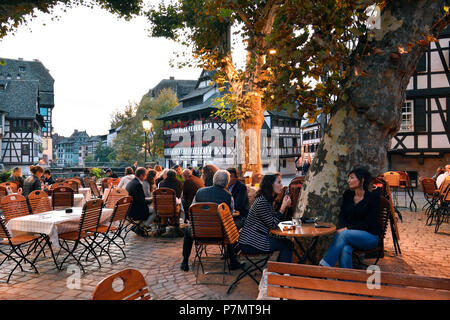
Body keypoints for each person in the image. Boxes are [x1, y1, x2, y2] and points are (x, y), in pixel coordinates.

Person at [319, 168, 382, 269]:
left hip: (370, 237)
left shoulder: (373, 198)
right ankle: (348, 281)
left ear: (362, 180)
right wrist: (345, 228)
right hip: (350, 236)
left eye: (352, 178)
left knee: (343, 234)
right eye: (348, 178)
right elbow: (342, 216)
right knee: (345, 249)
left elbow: (369, 223)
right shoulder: (348, 195)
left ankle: (324, 266)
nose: (348, 181)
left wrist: (347, 229)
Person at [180, 170, 242, 271]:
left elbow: (192, 209)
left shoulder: (200, 192)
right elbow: (229, 216)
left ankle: (185, 261)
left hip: (199, 233)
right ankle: (233, 261)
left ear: (214, 180)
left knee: (188, 230)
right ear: (227, 182)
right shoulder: (228, 196)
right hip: (219, 234)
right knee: (229, 227)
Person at [238, 173, 293, 263]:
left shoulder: (265, 199)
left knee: (286, 243)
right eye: (279, 182)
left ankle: (280, 271)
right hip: (251, 242)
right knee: (287, 245)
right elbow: (272, 225)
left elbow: (272, 220)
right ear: (271, 184)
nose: (282, 185)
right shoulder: (262, 202)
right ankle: (282, 273)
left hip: (255, 239)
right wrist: (283, 207)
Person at [125, 167, 156, 237]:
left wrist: (148, 199)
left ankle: (137, 226)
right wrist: (151, 200)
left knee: (150, 209)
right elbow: (141, 201)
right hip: (137, 210)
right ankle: (141, 227)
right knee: (155, 211)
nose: (145, 177)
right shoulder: (138, 184)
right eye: (145, 175)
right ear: (141, 175)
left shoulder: (131, 182)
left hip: (130, 209)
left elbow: (139, 199)